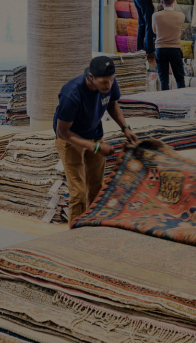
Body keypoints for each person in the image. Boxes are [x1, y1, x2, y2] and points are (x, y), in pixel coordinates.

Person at [55, 56, 139, 226]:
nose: (108, 85)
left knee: (97, 188)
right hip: (71, 140)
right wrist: (94, 147)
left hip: (94, 135)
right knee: (78, 193)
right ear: (91, 76)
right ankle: (76, 234)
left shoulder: (109, 82)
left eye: (111, 80)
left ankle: (92, 228)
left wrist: (125, 127)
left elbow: (112, 104)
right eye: (104, 82)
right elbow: (62, 132)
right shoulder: (72, 94)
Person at [151, 0, 186, 90]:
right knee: (180, 79)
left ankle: (165, 99)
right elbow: (175, 28)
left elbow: (155, 31)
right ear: (173, 1)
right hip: (175, 49)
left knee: (163, 80)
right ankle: (182, 98)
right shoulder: (181, 15)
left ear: (162, 2)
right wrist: (177, 33)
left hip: (160, 49)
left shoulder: (155, 16)